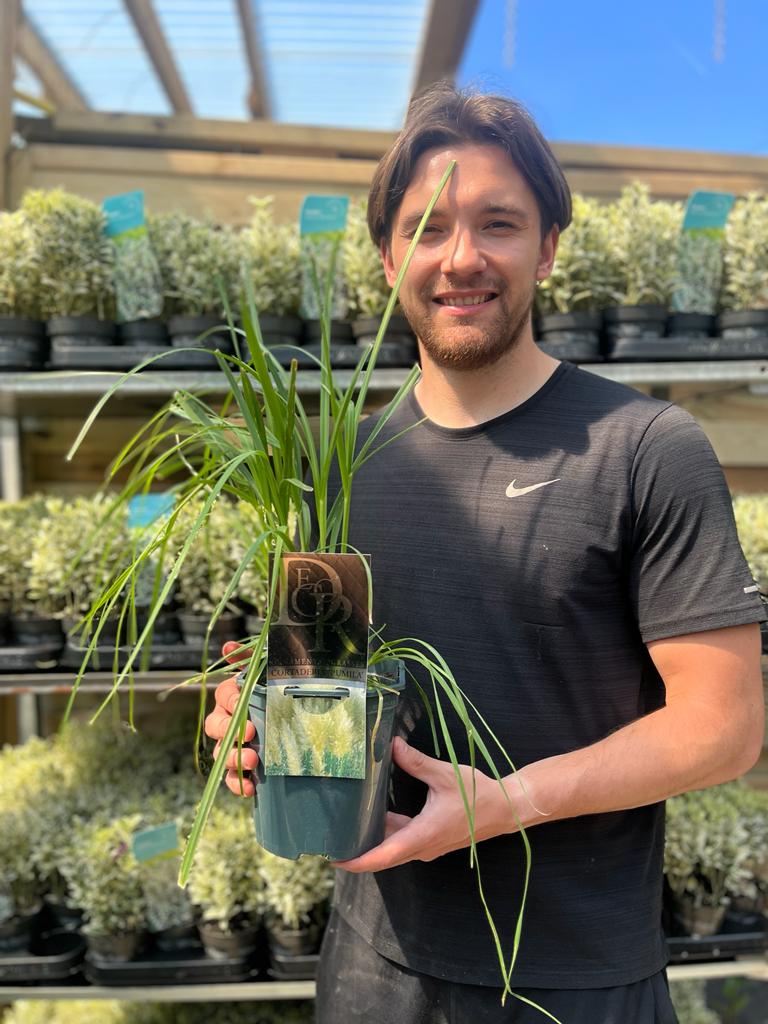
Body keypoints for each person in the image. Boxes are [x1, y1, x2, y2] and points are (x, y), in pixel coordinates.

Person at [205, 84, 766, 1023]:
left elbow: (727, 727)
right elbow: (303, 670)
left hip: (573, 978)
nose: (460, 257)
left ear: (548, 245)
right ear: (388, 258)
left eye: (497, 222)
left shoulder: (646, 447)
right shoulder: (336, 467)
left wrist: (505, 801)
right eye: (426, 228)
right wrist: (248, 714)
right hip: (372, 958)